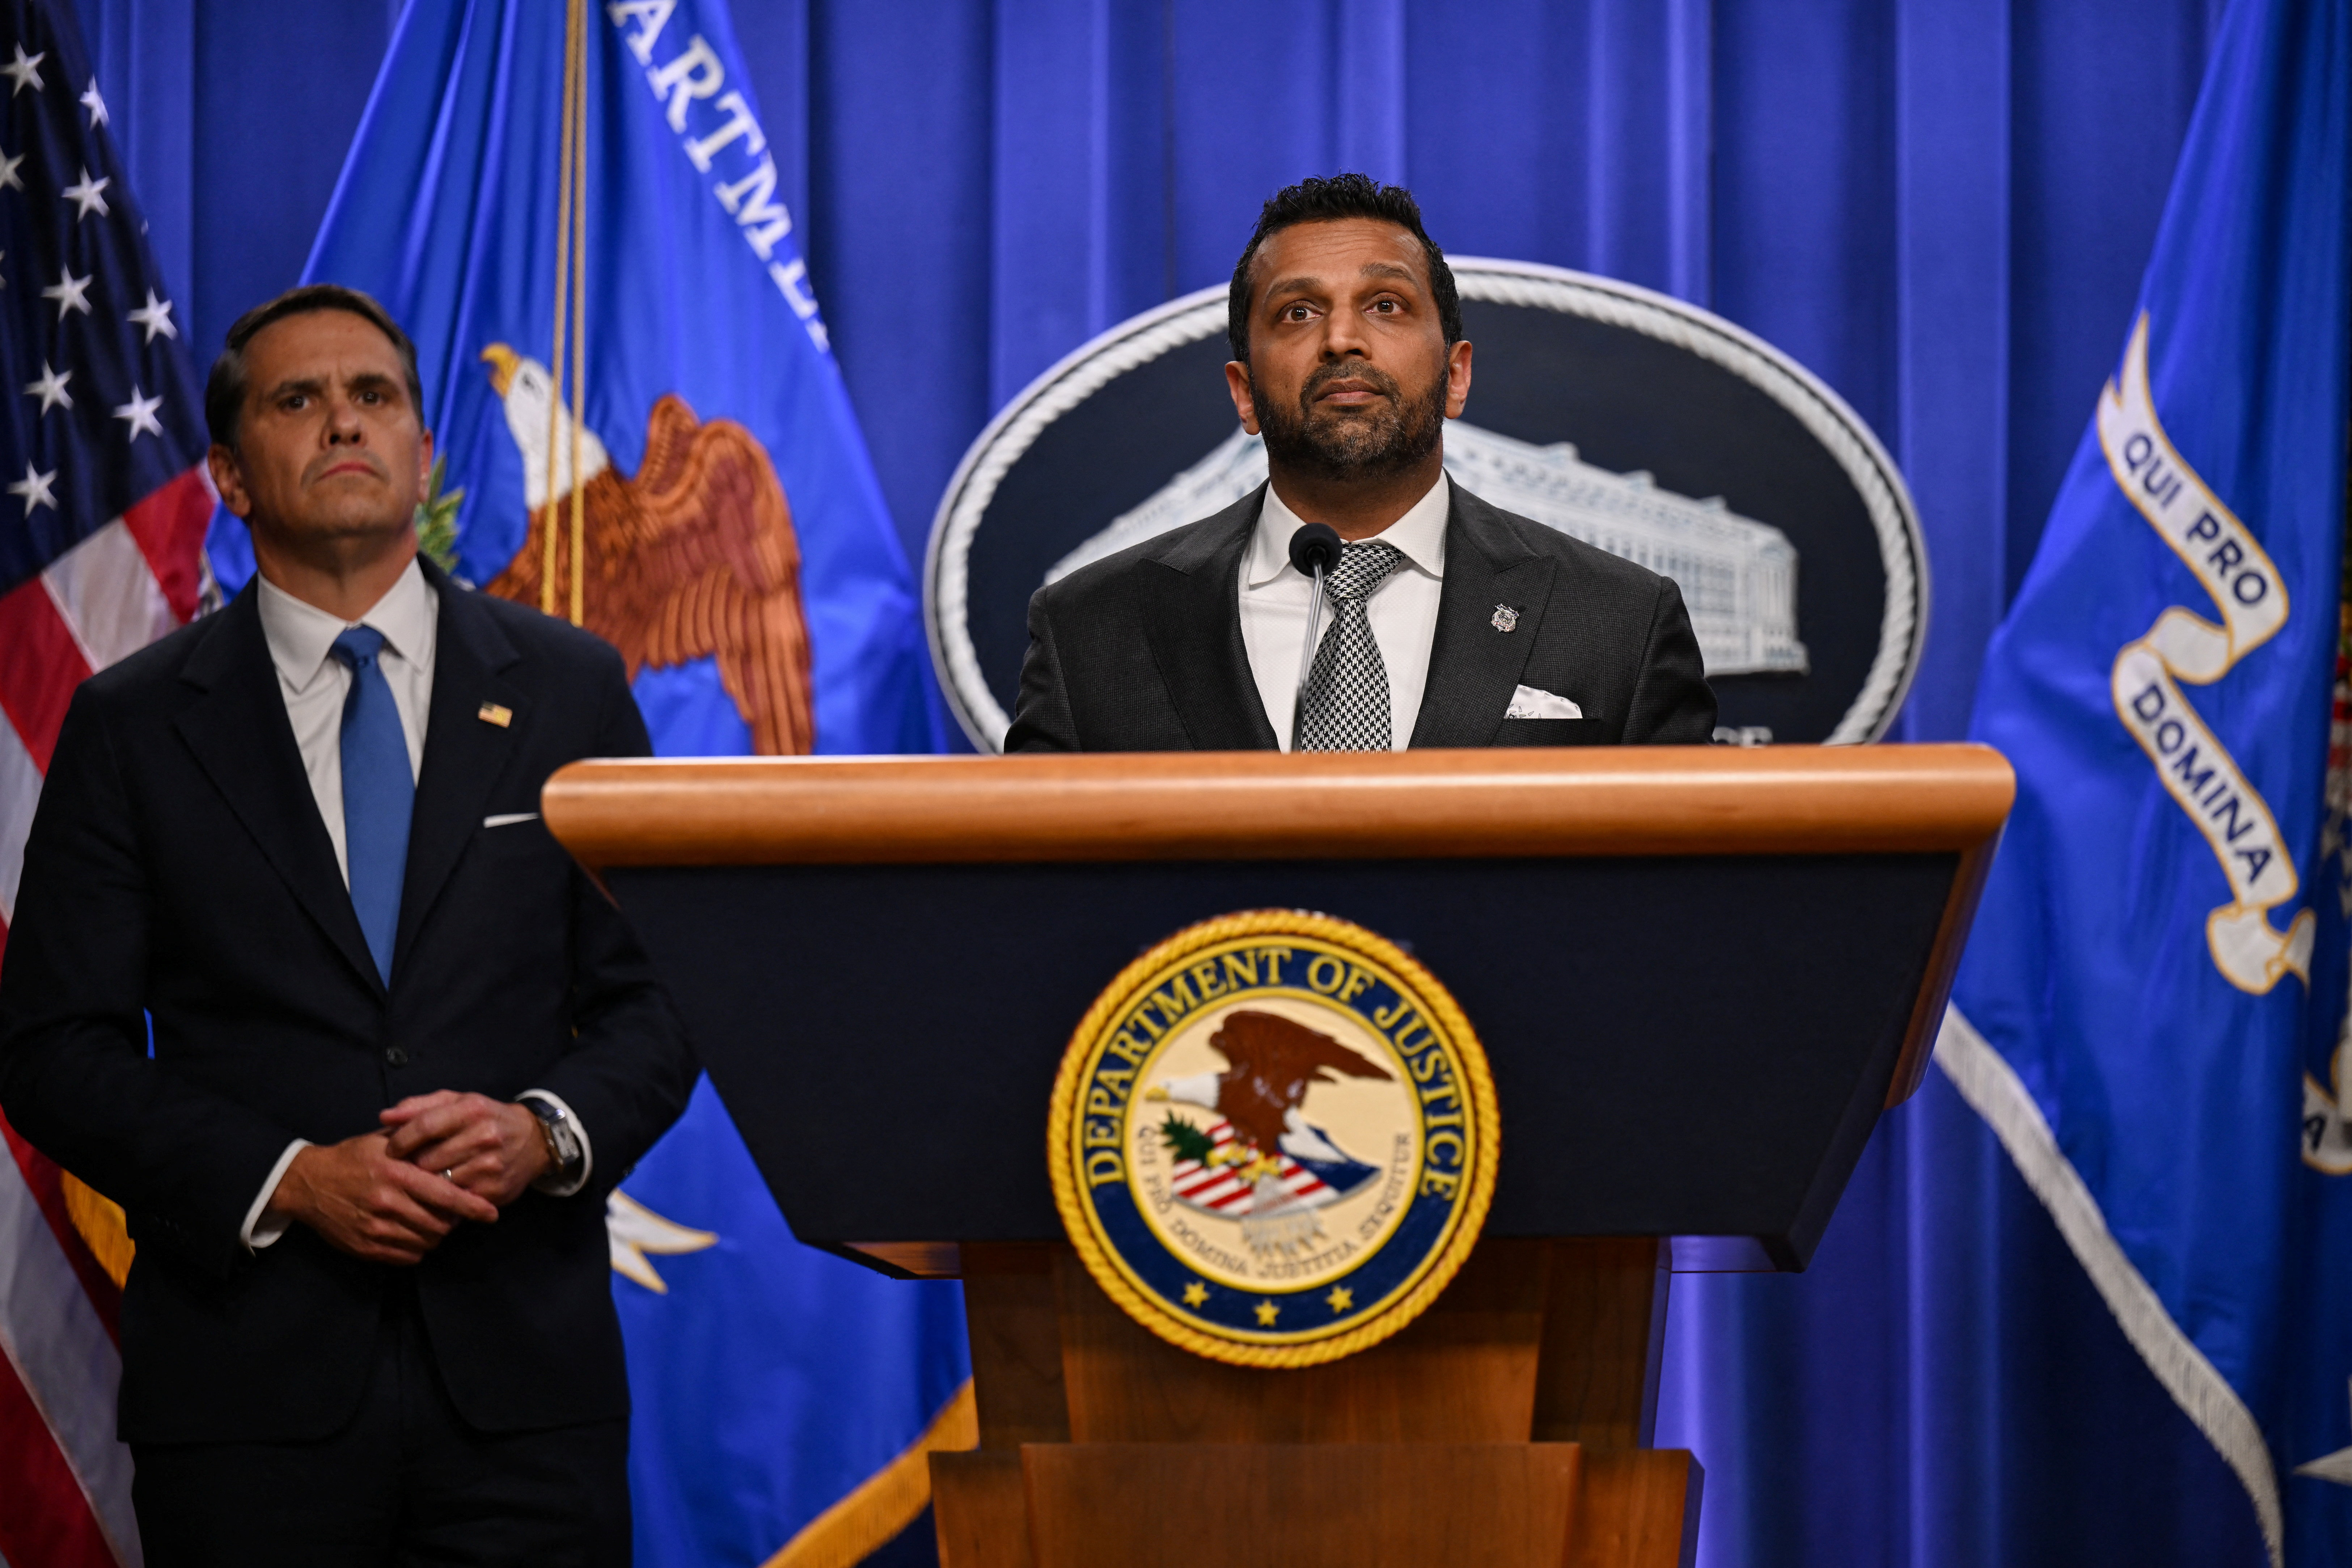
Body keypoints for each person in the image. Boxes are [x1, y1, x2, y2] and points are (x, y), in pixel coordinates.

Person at [0, 285, 696, 1564]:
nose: (343, 423)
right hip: (246, 1402)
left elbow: (663, 998)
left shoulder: (569, 690)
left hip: (524, 1405)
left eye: (374, 396)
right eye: (297, 401)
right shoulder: (135, 727)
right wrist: (288, 1176)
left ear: (424, 448)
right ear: (229, 472)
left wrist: (544, 1133)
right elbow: (52, 1047)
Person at [1005, 174, 1717, 753]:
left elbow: (1678, 906)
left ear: (1457, 376)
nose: (1342, 338)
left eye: (1385, 304)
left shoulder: (1618, 619)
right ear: (1244, 393)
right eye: (1297, 313)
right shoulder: (1089, 631)